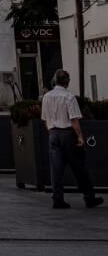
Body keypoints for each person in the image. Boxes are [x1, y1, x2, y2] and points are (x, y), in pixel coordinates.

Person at [41, 69, 102, 210]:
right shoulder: (69, 97)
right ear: (67, 82)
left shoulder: (47, 97)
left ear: (55, 81)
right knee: (79, 167)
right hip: (68, 134)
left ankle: (57, 199)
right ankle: (89, 197)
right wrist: (80, 136)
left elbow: (45, 119)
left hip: (53, 134)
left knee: (56, 170)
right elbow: (74, 119)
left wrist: (51, 132)